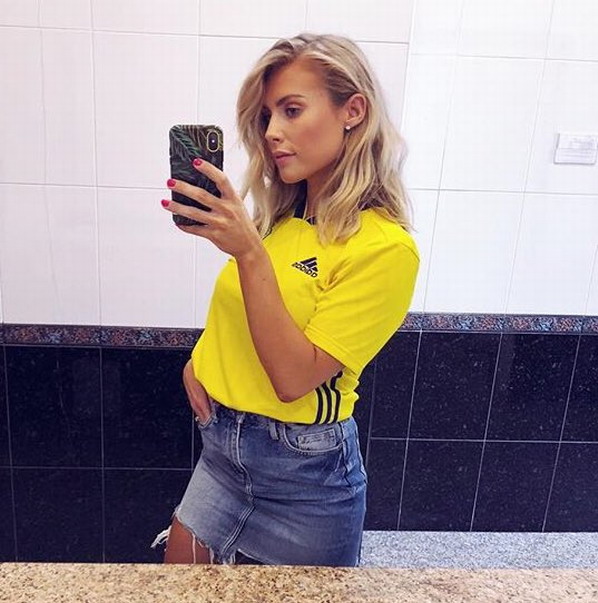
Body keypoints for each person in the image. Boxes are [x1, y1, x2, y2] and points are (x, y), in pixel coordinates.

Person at [151, 32, 419, 567]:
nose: (272, 131)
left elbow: (294, 378)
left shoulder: (385, 248)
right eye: (267, 115)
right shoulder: (277, 223)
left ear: (353, 111)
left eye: (292, 110)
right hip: (221, 454)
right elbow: (245, 311)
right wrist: (200, 362)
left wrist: (249, 253)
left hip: (306, 478)